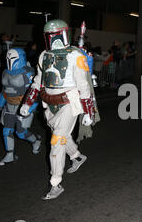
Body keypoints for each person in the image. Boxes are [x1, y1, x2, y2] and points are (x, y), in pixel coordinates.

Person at [20, 19, 98, 200]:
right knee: (62, 136)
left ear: (64, 34)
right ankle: (77, 156)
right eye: (50, 36)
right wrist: (27, 102)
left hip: (70, 102)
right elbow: (38, 82)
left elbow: (83, 85)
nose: (54, 39)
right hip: (49, 104)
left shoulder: (75, 55)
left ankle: (56, 183)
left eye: (56, 35)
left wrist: (88, 111)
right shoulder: (44, 55)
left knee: (57, 140)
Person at [0, 48, 42, 165]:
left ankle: (35, 141)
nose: (9, 61)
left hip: (23, 105)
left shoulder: (28, 72)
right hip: (9, 105)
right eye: (8, 58)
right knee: (6, 130)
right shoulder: (5, 72)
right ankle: (10, 154)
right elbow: (4, 91)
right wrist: (0, 104)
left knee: (21, 133)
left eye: (12, 58)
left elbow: (35, 92)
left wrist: (31, 107)